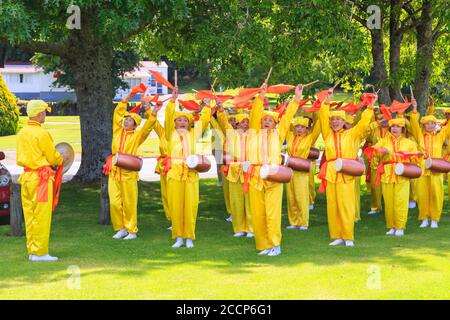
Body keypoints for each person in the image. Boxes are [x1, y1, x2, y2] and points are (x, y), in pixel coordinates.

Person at [246, 83, 304, 256]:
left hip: (274, 176)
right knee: (258, 213)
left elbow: (287, 117)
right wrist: (261, 97)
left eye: (270, 121)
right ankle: (263, 245)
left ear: (275, 123)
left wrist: (296, 98)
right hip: (255, 176)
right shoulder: (254, 133)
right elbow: (254, 113)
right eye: (264, 120)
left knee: (272, 213)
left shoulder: (279, 134)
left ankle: (275, 244)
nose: (266, 123)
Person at [318, 90, 374, 247]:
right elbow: (323, 118)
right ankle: (337, 236)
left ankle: (348, 236)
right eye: (333, 119)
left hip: (347, 173)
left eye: (338, 119)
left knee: (346, 206)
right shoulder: (328, 135)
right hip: (331, 174)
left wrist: (369, 108)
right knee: (333, 206)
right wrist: (326, 103)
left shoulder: (352, 134)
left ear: (344, 121)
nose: (335, 122)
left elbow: (363, 124)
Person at [104, 91, 160, 240]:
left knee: (129, 203)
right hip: (114, 172)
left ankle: (132, 230)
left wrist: (153, 112)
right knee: (115, 202)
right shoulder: (117, 132)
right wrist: (126, 99)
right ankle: (120, 228)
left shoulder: (137, 136)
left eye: (129, 120)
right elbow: (117, 113)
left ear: (135, 123)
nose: (125, 121)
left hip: (129, 173)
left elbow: (148, 127)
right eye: (125, 119)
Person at [161, 91, 212, 248]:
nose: (182, 122)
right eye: (179, 120)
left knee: (190, 206)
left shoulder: (193, 134)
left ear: (189, 123)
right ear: (174, 123)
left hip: (191, 174)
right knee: (176, 206)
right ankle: (178, 237)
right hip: (174, 174)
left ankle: (189, 237)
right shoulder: (170, 134)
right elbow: (168, 117)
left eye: (185, 120)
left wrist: (208, 105)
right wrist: (172, 102)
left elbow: (203, 120)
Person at [16, 100, 64, 261]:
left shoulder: (22, 132)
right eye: (44, 111)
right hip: (41, 179)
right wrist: (60, 158)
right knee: (41, 216)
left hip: (27, 178)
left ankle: (32, 250)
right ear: (39, 114)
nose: (45, 114)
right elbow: (52, 156)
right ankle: (41, 252)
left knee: (30, 216)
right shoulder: (42, 134)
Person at [372, 118, 421, 236]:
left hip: (402, 175)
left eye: (398, 126)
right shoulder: (382, 141)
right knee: (389, 202)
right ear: (389, 128)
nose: (395, 129)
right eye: (393, 126)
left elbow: (415, 161)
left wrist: (417, 157)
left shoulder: (409, 143)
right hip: (387, 174)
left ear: (403, 129)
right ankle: (391, 226)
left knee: (401, 201)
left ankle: (400, 227)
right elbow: (373, 157)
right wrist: (379, 152)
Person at [409, 101, 450, 228]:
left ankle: (435, 219)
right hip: (422, 168)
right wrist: (414, 109)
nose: (430, 125)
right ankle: (424, 218)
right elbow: (414, 125)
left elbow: (448, 128)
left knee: (436, 194)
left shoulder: (440, 136)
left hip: (436, 168)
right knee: (422, 194)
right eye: (428, 123)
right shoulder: (420, 136)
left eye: (433, 123)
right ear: (424, 125)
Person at [217, 108, 253, 238]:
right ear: (236, 124)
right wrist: (220, 110)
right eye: (242, 122)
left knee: (249, 201)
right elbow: (224, 122)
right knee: (236, 201)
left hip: (249, 170)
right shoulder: (231, 135)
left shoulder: (254, 135)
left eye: (247, 122)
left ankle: (250, 228)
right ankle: (238, 228)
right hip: (234, 171)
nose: (245, 124)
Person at [285, 116, 321, 230]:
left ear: (307, 128)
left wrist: (322, 108)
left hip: (302, 171)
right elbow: (284, 124)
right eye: (297, 127)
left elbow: (319, 126)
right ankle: (293, 221)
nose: (299, 129)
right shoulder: (290, 136)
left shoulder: (310, 138)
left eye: (302, 127)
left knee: (301, 196)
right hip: (290, 169)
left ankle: (303, 222)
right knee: (291, 196)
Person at [365, 114, 389, 215]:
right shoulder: (374, 129)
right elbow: (366, 135)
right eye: (380, 119)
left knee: (389, 185)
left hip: (388, 160)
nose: (383, 121)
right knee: (375, 185)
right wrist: (375, 124)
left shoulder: (394, 129)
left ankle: (390, 207)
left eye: (385, 119)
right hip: (375, 160)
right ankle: (376, 207)